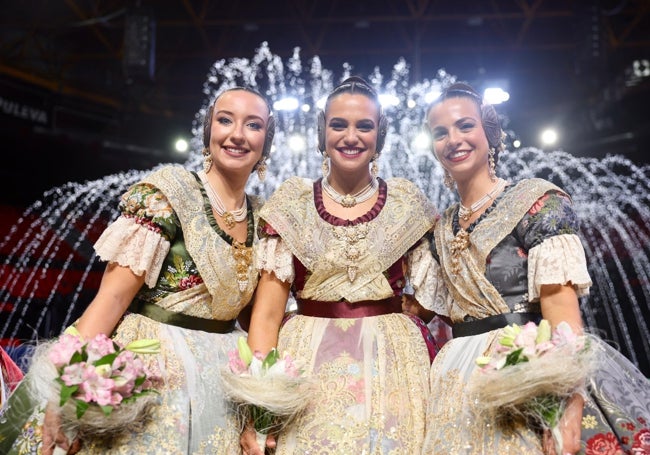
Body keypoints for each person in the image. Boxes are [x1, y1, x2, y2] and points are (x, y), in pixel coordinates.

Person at [0, 86, 275, 454]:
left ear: (266, 141)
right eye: (225, 120)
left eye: (253, 125)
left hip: (223, 391)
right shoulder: (166, 195)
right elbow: (112, 298)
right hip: (153, 379)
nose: (237, 134)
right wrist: (61, 391)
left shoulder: (264, 219)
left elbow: (251, 317)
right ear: (209, 130)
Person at [419, 82, 650, 454]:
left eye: (465, 126)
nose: (453, 140)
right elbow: (430, 310)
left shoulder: (537, 203)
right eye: (440, 132)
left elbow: (562, 313)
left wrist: (567, 407)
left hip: (527, 371)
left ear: (490, 135)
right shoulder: (440, 228)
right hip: (457, 381)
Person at [240, 76, 440, 454]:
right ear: (322, 132)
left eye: (364, 126)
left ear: (379, 135)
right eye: (339, 125)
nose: (351, 136)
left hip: (394, 367)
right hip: (307, 365)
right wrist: (259, 409)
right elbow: (266, 318)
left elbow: (441, 294)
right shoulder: (292, 203)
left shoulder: (406, 202)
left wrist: (410, 313)